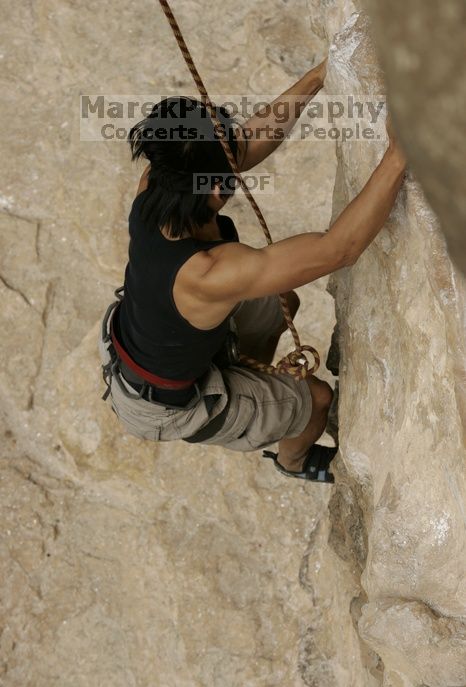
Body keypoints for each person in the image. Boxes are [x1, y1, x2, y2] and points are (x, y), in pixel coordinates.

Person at [98, 58, 407, 482]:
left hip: (148, 343)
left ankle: (243, 374)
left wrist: (321, 74)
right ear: (219, 188)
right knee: (316, 397)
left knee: (281, 299)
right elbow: (339, 249)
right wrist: (398, 156)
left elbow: (242, 147)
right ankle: (292, 461)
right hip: (165, 405)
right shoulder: (210, 273)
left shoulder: (159, 181)